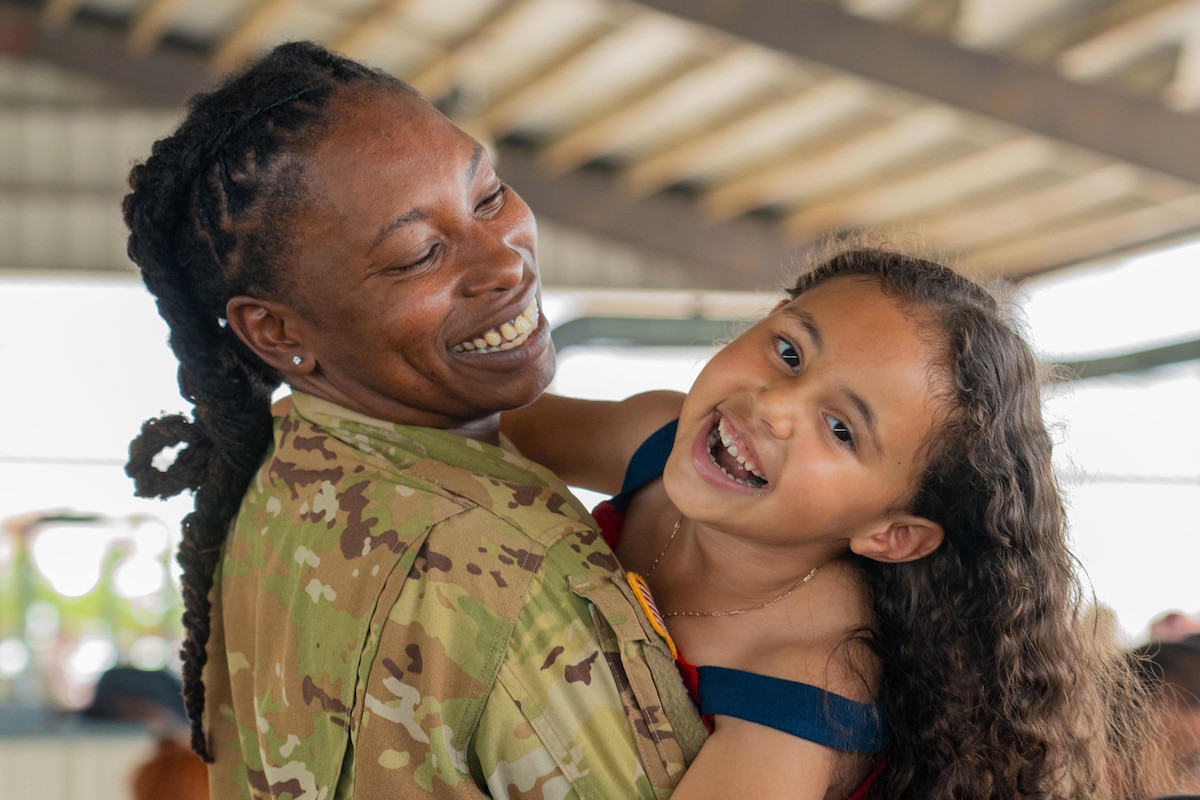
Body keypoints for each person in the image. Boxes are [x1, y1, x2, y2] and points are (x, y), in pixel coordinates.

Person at [121, 41, 704, 799]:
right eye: (419, 253)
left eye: (488, 195)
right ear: (278, 333)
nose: (505, 261)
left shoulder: (282, 467)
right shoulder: (506, 563)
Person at [502, 247, 1166, 800]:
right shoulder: (659, 437)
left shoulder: (808, 686)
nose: (773, 405)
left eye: (841, 429)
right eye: (789, 352)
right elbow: (469, 424)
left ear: (891, 533)